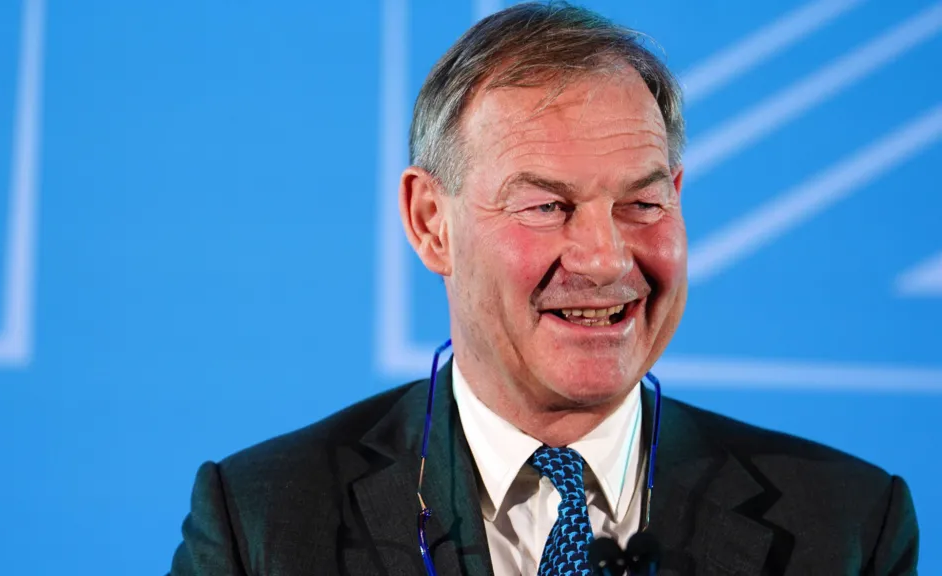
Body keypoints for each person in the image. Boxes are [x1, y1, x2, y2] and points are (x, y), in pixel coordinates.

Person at [168, 3, 919, 574]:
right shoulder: (263, 524)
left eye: (643, 204)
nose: (603, 257)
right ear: (432, 223)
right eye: (546, 206)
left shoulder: (848, 527)